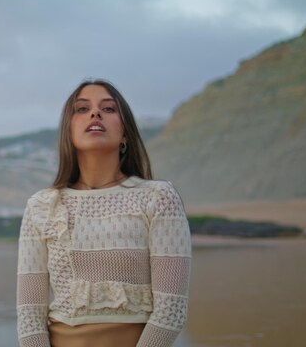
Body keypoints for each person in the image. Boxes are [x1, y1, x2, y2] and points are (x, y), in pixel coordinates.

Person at [16, 79, 191, 347]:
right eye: (82, 109)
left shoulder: (158, 197)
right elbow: (30, 316)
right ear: (68, 131)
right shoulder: (42, 205)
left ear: (125, 135)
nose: (95, 114)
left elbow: (171, 311)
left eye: (108, 109)